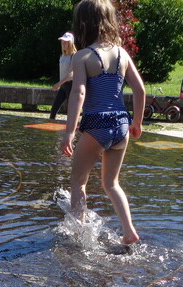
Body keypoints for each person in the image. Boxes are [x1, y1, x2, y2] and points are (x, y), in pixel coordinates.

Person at [59, 0, 146, 245]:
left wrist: (69, 132)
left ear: (82, 24)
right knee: (111, 183)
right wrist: (136, 122)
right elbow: (140, 90)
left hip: (96, 124)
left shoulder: (83, 56)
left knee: (79, 182)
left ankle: (79, 235)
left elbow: (79, 94)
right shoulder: (122, 54)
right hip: (121, 125)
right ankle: (129, 231)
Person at [50, 32, 77, 120]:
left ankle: (71, 130)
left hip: (70, 85)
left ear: (71, 43)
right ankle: (49, 127)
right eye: (63, 42)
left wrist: (58, 84)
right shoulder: (62, 56)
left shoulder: (74, 56)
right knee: (54, 109)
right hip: (63, 86)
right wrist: (60, 84)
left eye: (66, 42)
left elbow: (70, 75)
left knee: (70, 111)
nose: (64, 44)